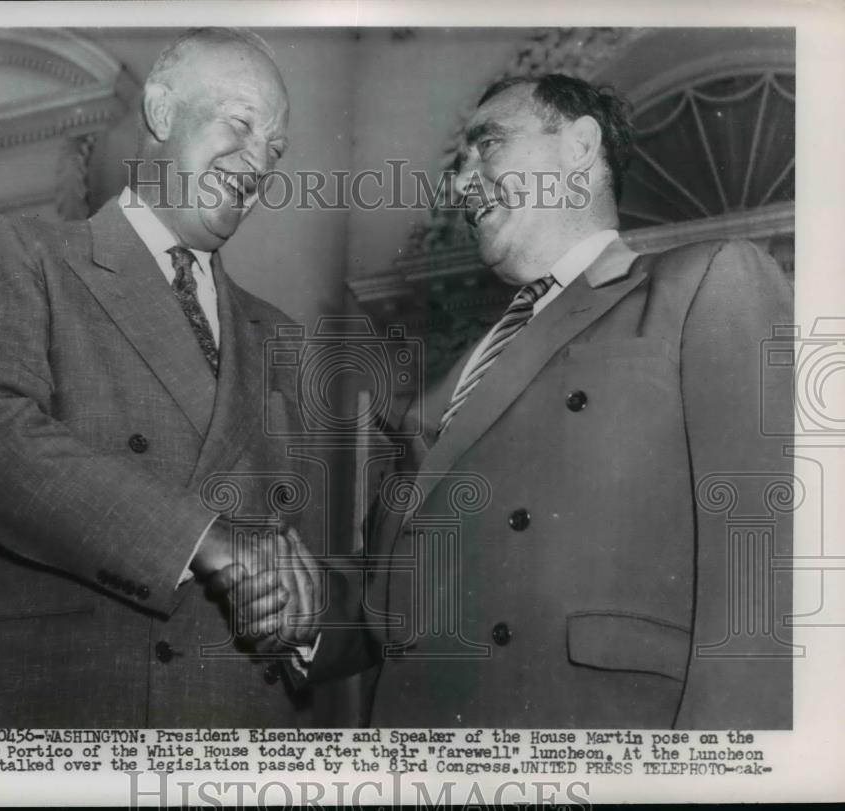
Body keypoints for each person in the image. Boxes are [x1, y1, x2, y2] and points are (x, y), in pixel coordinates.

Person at [228, 73, 794, 729]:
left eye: (486, 144)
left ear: (579, 144)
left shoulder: (705, 283)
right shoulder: (442, 382)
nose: (457, 184)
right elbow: (402, 592)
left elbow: (767, 568)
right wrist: (307, 613)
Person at [0, 28, 323, 728]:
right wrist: (204, 540)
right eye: (240, 123)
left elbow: (306, 550)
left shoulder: (282, 335)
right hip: (61, 718)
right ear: (164, 112)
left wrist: (302, 608)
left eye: (277, 148)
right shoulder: (23, 254)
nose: (260, 160)